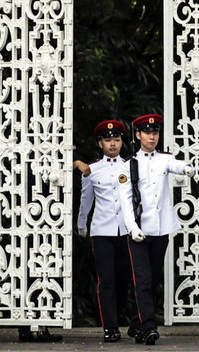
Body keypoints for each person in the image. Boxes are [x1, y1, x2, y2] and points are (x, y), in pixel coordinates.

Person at [119, 114, 194, 345]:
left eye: (156, 132)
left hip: (160, 229)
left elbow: (176, 165)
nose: (152, 136)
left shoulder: (164, 159)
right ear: (138, 135)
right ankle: (149, 328)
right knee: (142, 279)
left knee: (152, 280)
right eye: (147, 132)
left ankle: (136, 324)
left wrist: (188, 168)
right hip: (139, 230)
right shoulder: (128, 164)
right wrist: (132, 228)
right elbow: (126, 199)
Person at [77, 120, 132, 342]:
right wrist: (82, 225)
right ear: (100, 143)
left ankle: (117, 318)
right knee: (106, 279)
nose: (112, 144)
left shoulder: (130, 167)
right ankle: (110, 327)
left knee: (124, 279)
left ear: (121, 142)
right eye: (108, 140)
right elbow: (86, 200)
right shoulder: (92, 170)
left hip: (126, 230)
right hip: (102, 231)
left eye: (116, 140)